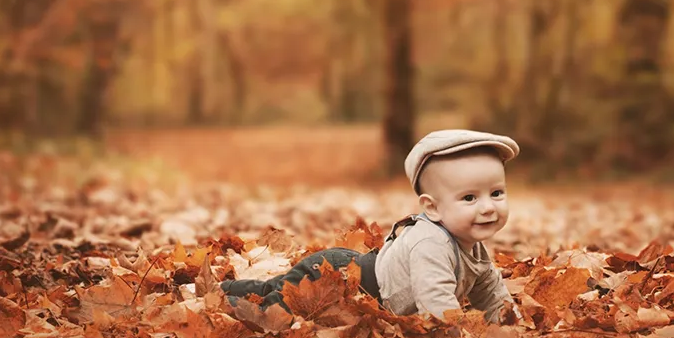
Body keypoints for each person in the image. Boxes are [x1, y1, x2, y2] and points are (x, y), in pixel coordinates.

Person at [220, 129, 519, 324]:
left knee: (276, 288)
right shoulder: (432, 244)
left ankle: (221, 290)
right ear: (432, 207)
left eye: (496, 193)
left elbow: (489, 291)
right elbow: (437, 306)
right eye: (469, 197)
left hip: (352, 270)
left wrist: (510, 325)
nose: (488, 207)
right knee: (272, 313)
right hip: (340, 281)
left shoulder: (473, 246)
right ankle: (215, 300)